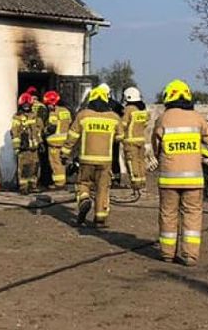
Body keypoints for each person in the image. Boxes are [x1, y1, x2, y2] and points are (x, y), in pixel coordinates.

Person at [151, 78, 208, 265]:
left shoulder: (163, 119)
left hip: (168, 180)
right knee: (192, 214)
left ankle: (167, 253)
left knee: (168, 214)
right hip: (194, 180)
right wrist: (199, 153)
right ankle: (190, 255)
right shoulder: (197, 118)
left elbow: (156, 147)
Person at [66, 84, 124, 227]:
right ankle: (100, 219)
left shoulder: (83, 115)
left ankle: (84, 199)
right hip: (105, 160)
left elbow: (72, 136)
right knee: (102, 188)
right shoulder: (114, 117)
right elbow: (120, 137)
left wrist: (64, 152)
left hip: (86, 159)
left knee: (83, 183)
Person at [119, 86, 151, 192]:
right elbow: (145, 124)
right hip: (141, 140)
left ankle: (136, 185)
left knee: (132, 163)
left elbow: (123, 125)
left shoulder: (128, 110)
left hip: (130, 141)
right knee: (141, 162)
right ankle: (142, 183)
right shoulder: (143, 110)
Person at [10, 96, 44, 194]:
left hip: (34, 147)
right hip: (23, 148)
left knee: (35, 167)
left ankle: (33, 186)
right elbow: (15, 132)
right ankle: (23, 187)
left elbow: (38, 130)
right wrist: (17, 147)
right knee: (24, 167)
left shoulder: (35, 116)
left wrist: (40, 142)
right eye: (24, 104)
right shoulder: (17, 117)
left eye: (28, 104)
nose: (26, 106)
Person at [42, 90, 72, 189]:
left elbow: (51, 127)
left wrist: (44, 131)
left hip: (54, 142)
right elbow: (69, 123)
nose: (48, 106)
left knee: (55, 163)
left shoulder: (53, 113)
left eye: (48, 104)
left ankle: (58, 183)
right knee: (61, 162)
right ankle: (62, 182)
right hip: (64, 141)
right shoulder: (66, 111)